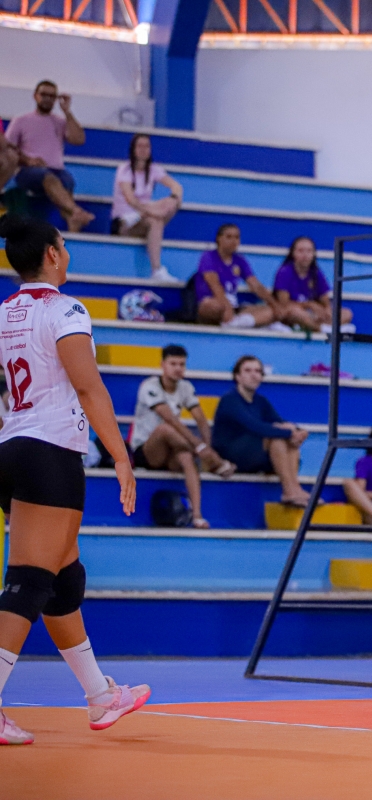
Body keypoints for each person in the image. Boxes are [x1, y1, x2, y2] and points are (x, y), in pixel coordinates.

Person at [0, 214, 148, 745]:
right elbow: (89, 388)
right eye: (63, 245)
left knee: (64, 578)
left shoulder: (4, 313)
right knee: (29, 582)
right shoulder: (66, 309)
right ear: (52, 254)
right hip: (52, 453)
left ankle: (100, 696)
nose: (66, 252)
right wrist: (121, 457)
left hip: (13, 447)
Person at [129, 344, 236, 529]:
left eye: (182, 364)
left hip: (174, 447)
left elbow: (201, 420)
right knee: (165, 429)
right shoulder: (149, 386)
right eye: (173, 364)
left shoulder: (185, 387)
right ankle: (214, 461)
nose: (178, 368)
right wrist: (201, 448)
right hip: (146, 450)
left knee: (186, 457)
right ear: (163, 365)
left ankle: (197, 516)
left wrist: (207, 446)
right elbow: (170, 419)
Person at [212, 355, 310, 507]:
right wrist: (290, 433)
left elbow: (278, 420)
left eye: (257, 371)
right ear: (237, 376)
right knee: (277, 438)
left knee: (285, 434)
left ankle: (295, 489)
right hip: (232, 455)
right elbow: (254, 426)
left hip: (255, 453)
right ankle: (289, 491)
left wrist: (298, 431)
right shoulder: (230, 400)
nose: (254, 375)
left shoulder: (260, 400)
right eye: (248, 371)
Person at [5, 81, 92, 232]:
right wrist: (28, 160)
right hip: (27, 171)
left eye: (52, 96)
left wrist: (67, 112)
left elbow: (79, 140)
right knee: (49, 177)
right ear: (35, 96)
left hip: (56, 170)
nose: (48, 99)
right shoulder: (21, 120)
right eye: (44, 94)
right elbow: (8, 148)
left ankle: (73, 225)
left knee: (67, 181)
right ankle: (76, 211)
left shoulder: (60, 121)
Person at [111, 134, 183, 282]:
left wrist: (174, 199)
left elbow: (176, 186)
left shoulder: (154, 169)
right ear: (133, 149)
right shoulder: (124, 169)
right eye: (140, 146)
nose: (143, 149)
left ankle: (157, 270)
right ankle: (156, 269)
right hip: (125, 221)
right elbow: (131, 200)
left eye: (147, 146)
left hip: (145, 217)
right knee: (156, 219)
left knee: (169, 205)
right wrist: (154, 211)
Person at [194, 224, 283, 329]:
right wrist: (226, 307)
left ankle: (234, 324)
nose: (233, 241)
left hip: (234, 307)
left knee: (269, 311)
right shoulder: (209, 256)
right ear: (219, 238)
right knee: (213, 306)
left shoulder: (240, 260)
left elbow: (255, 284)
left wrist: (274, 304)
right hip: (213, 301)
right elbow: (214, 284)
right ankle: (239, 323)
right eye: (229, 237)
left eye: (237, 237)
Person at [272, 236, 353, 332]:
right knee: (295, 312)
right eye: (301, 251)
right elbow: (284, 304)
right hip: (294, 311)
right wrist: (309, 305)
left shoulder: (316, 272)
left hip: (311, 314)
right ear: (293, 253)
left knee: (347, 313)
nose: (305, 255)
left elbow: (325, 299)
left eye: (309, 251)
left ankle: (315, 326)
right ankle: (321, 329)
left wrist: (326, 309)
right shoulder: (284, 272)